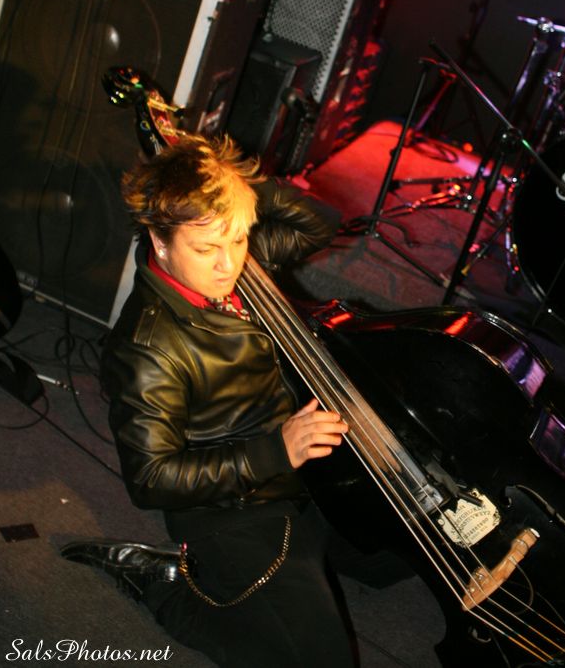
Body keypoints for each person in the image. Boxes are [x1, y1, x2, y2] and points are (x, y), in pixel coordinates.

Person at [62, 133, 356, 667]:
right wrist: (276, 451)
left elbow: (321, 223)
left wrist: (230, 187)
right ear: (159, 240)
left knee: (400, 555)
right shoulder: (146, 347)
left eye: (238, 239)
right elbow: (151, 480)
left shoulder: (236, 257)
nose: (228, 265)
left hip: (301, 469)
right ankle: (165, 585)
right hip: (233, 510)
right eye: (205, 249)